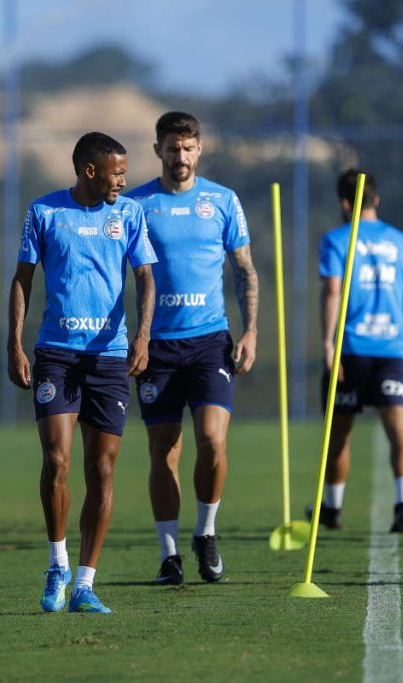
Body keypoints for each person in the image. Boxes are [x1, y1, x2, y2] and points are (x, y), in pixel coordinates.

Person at [8, 132, 156, 614]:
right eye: (117, 173)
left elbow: (146, 277)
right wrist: (15, 342)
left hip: (111, 357)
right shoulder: (44, 212)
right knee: (57, 461)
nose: (123, 181)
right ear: (90, 171)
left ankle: (86, 584)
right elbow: (23, 279)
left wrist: (143, 337)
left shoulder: (129, 214)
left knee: (104, 468)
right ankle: (57, 563)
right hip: (57, 353)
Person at [127, 111, 258, 585]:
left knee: (212, 440)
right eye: (171, 148)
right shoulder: (135, 203)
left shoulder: (223, 201)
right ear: (157, 149)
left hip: (209, 342)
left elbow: (244, 269)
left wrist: (250, 332)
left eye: (188, 148)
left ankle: (205, 533)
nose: (180, 156)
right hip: (156, 347)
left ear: (199, 149)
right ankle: (169, 555)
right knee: (163, 452)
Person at [307, 168, 403, 534]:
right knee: (401, 434)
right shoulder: (401, 241)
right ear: (376, 199)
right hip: (391, 350)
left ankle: (332, 509)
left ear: (344, 203)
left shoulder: (336, 239)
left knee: (339, 435)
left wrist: (327, 343)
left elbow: (332, 292)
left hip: (351, 351)